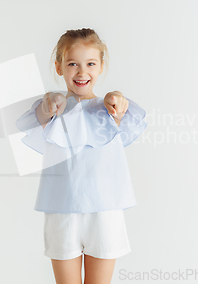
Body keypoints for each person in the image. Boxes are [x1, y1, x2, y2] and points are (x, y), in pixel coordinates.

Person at [16, 28, 147, 284]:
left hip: (105, 210)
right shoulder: (53, 107)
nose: (81, 71)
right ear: (59, 67)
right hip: (62, 210)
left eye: (90, 64)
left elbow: (121, 109)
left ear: (100, 67)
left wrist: (116, 99)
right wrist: (51, 102)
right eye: (72, 63)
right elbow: (40, 115)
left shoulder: (109, 108)